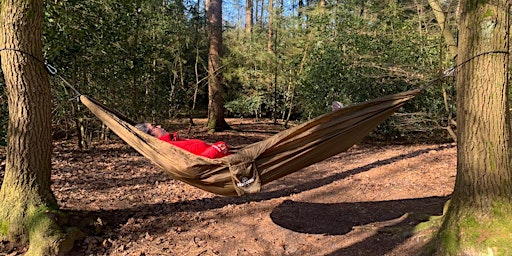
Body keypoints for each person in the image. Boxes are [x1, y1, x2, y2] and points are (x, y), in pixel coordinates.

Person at [135, 122, 230, 159]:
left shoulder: (173, 141)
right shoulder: (169, 147)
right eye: (154, 126)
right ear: (151, 136)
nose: (160, 126)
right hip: (221, 164)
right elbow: (195, 164)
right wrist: (217, 147)